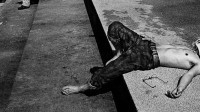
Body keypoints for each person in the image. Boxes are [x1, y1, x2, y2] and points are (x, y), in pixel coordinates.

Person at [62, 21, 200, 99]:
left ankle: (83, 87)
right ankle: (119, 52)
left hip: (145, 58)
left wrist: (180, 89)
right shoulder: (190, 49)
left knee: (108, 71)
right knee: (115, 27)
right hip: (144, 44)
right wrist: (150, 40)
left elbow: (189, 74)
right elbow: (167, 47)